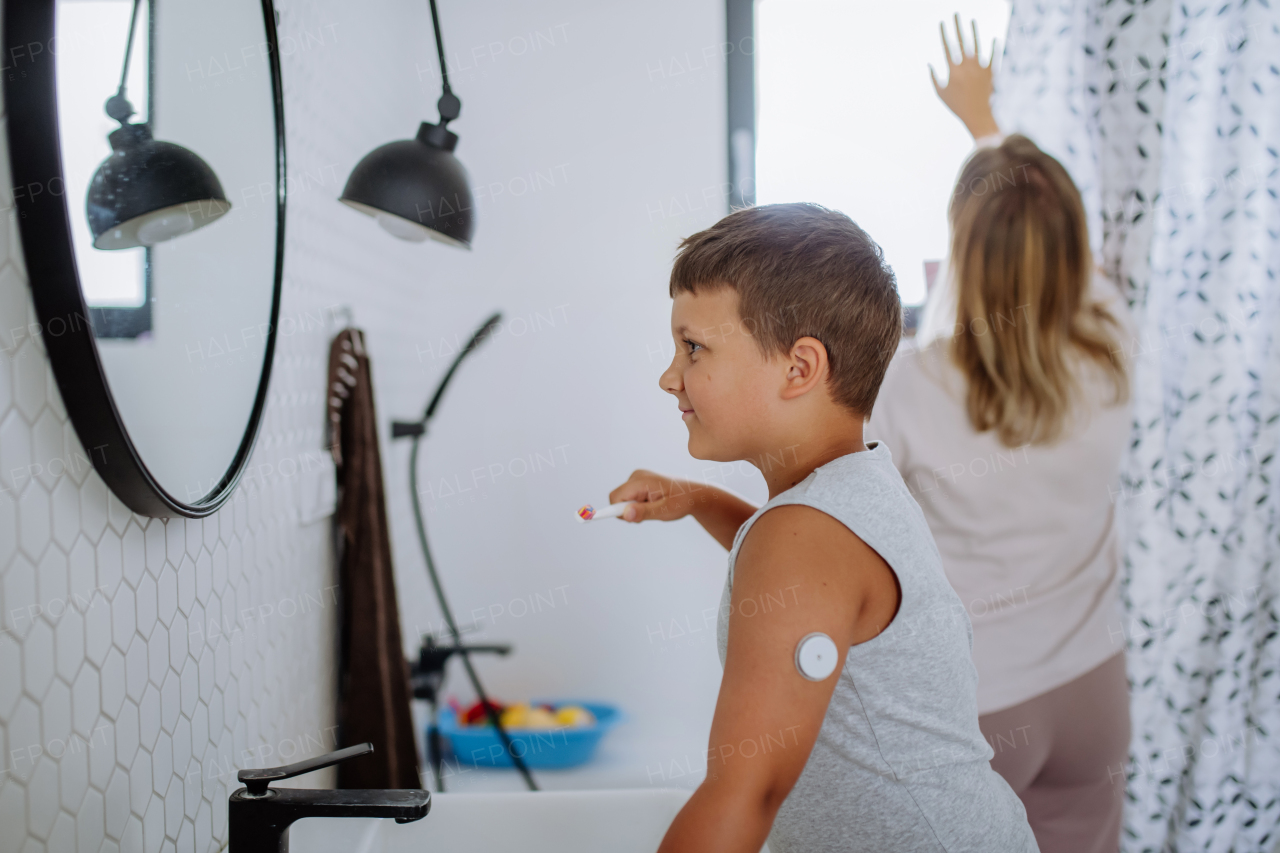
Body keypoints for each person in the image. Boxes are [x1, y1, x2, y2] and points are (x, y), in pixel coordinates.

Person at [610, 203, 1037, 852]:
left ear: (800, 368)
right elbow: (808, 581)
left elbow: (746, 793)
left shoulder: (800, 540)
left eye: (693, 347)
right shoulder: (849, 492)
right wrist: (697, 499)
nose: (669, 377)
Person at [870, 17, 1133, 853]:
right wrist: (984, 119)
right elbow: (1041, 227)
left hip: (985, 711)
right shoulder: (1111, 337)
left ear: (961, 248)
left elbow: (837, 502)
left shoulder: (911, 382)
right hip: (1095, 694)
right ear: (1073, 244)